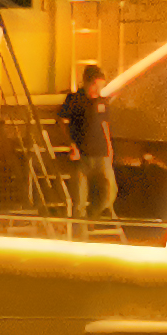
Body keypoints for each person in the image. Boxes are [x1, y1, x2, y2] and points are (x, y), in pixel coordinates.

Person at [58, 67, 115, 227]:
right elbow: (62, 122)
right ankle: (80, 239)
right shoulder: (74, 99)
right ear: (87, 83)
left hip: (101, 154)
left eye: (101, 87)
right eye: (95, 86)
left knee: (110, 192)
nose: (98, 90)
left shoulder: (102, 101)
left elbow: (105, 125)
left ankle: (92, 216)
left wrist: (109, 148)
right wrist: (71, 145)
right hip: (81, 157)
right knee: (79, 201)